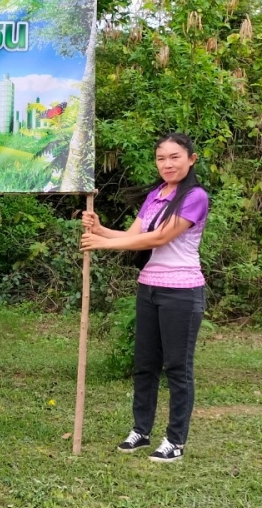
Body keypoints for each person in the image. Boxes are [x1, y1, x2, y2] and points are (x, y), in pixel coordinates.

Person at [81, 133, 209, 462]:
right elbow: (133, 236)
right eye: (161, 158)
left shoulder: (195, 197)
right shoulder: (155, 194)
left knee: (177, 368)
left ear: (191, 159)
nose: (168, 164)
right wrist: (100, 229)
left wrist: (103, 244)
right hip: (149, 287)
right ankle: (141, 430)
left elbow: (160, 238)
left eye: (175, 157)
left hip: (182, 292)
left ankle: (175, 441)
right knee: (145, 364)